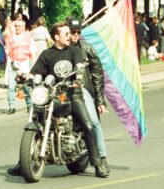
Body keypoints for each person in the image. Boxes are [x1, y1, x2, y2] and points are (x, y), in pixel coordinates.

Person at [7, 22, 107, 178]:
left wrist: (78, 78)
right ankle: (23, 163)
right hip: (52, 94)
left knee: (88, 125)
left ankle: (98, 164)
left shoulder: (74, 51)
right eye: (66, 34)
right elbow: (36, 71)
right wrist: (26, 76)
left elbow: (79, 66)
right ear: (56, 37)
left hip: (73, 94)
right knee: (36, 117)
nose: (69, 36)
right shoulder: (47, 54)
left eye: (69, 33)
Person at [67, 17, 110, 176]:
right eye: (72, 32)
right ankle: (24, 161)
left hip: (81, 89)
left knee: (93, 122)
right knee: (38, 114)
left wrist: (100, 100)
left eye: (78, 32)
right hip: (60, 89)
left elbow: (97, 75)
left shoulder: (87, 48)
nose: (75, 35)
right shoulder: (57, 49)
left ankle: (101, 160)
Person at [4, 18, 36, 114]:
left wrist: (34, 67)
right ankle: (11, 107)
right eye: (16, 26)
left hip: (25, 64)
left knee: (26, 87)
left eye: (19, 26)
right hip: (13, 64)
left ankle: (30, 106)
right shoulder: (10, 38)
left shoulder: (28, 37)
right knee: (11, 87)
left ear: (24, 27)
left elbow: (33, 52)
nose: (17, 28)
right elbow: (7, 51)